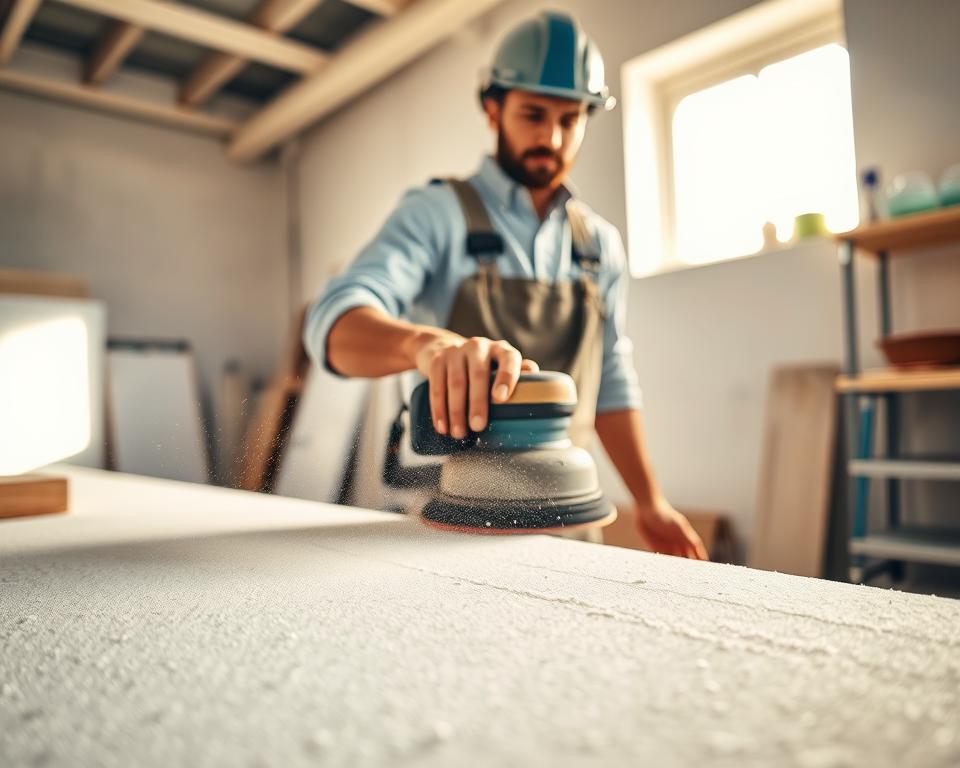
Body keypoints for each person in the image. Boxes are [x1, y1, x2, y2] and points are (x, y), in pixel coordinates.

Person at [304, 11, 707, 560]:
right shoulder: (436, 213)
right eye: (533, 114)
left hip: (570, 522)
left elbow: (611, 379)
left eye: (571, 119)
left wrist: (650, 502)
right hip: (448, 524)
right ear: (492, 107)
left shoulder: (599, 246)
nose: (551, 136)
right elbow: (333, 324)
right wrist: (425, 345)